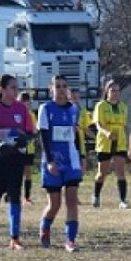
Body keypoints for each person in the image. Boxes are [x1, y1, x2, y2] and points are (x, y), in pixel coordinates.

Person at [0, 74, 36, 249]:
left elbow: (30, 130)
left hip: (15, 158)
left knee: (14, 195)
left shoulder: (21, 108)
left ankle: (14, 237)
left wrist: (24, 139)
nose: (16, 90)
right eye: (12, 87)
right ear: (1, 90)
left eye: (16, 87)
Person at [38, 75, 84, 251]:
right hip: (53, 161)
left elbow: (74, 135)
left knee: (71, 200)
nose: (61, 89)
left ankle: (70, 240)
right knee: (54, 204)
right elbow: (43, 137)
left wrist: (81, 157)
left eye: (64, 86)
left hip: (71, 160)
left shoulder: (74, 109)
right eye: (58, 86)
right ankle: (45, 227)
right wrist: (50, 161)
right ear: (52, 89)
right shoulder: (45, 108)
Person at [91, 81, 130, 209]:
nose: (115, 93)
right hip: (105, 142)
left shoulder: (123, 106)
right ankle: (96, 196)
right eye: (112, 90)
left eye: (117, 91)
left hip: (120, 142)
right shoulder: (101, 106)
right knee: (102, 172)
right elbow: (98, 124)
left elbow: (124, 125)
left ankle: (123, 200)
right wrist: (106, 133)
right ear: (107, 92)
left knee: (120, 171)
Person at [19, 91, 37, 206]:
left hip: (29, 147)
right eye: (23, 103)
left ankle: (27, 197)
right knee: (16, 172)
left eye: (28, 103)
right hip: (18, 147)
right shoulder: (16, 114)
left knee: (28, 172)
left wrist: (32, 135)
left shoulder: (31, 115)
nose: (26, 105)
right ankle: (11, 194)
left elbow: (34, 130)